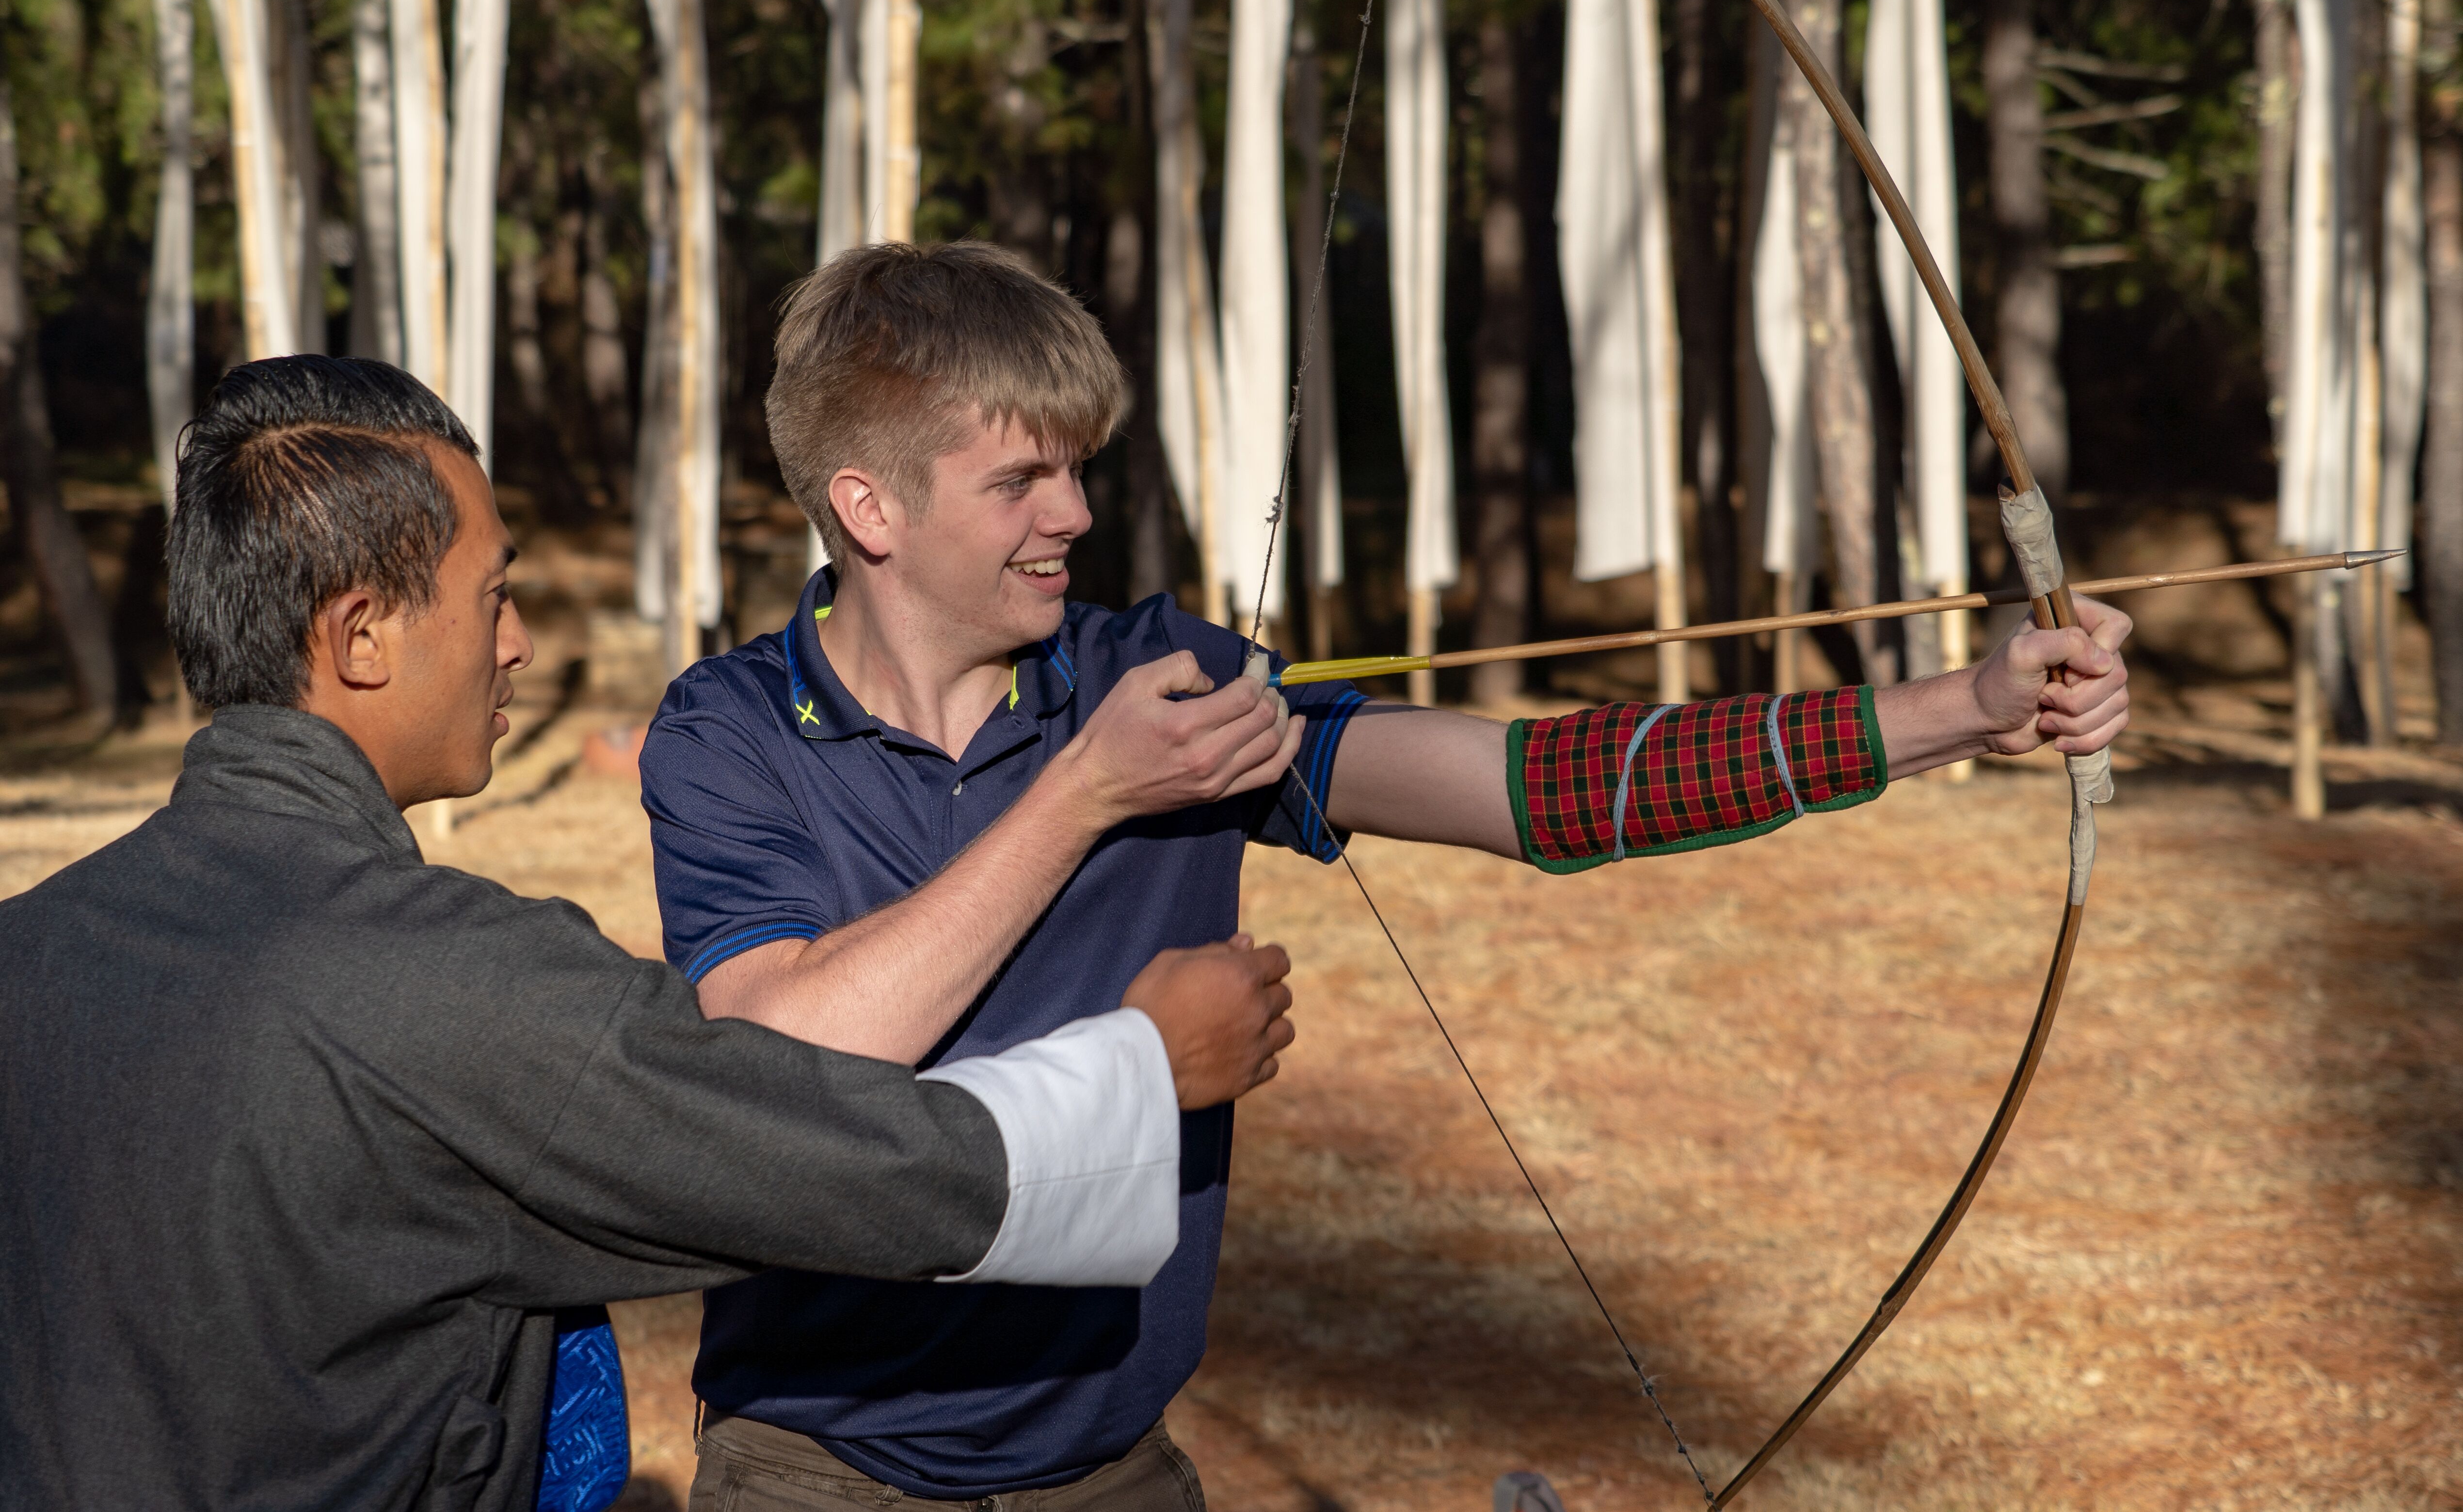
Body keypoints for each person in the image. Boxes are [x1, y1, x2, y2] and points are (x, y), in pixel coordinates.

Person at [640, 242, 2134, 1511]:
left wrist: (1966, 710)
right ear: (872, 509)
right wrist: (1090, 791)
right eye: (1020, 478)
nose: (1075, 517)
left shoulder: (1157, 679)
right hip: (819, 1463)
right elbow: (786, 1058)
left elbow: (1535, 791)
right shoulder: (733, 732)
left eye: (1081, 469)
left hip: (1106, 1455)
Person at [0, 354, 1304, 1512]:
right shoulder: (447, 984)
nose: (517, 643)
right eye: (490, 593)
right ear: (360, 638)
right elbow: (807, 1159)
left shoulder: (32, 949)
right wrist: (1143, 1067)